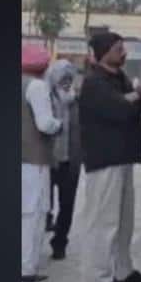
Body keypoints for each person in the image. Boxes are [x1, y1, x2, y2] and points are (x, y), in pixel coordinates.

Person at [79, 32, 141, 282]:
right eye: (118, 49)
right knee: (103, 222)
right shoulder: (94, 82)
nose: (124, 53)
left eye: (123, 48)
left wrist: (134, 97)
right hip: (104, 160)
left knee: (124, 221)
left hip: (123, 158)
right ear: (103, 53)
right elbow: (120, 109)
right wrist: (132, 98)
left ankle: (123, 271)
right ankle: (98, 280)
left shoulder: (119, 78)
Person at [22, 45, 62, 282]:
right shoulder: (37, 86)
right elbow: (45, 124)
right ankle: (27, 268)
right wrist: (59, 124)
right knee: (34, 213)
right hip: (34, 158)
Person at [44, 59, 82, 260]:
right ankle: (44, 223)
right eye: (62, 79)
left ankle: (60, 243)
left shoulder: (77, 101)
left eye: (69, 79)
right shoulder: (44, 98)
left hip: (71, 161)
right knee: (43, 203)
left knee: (67, 205)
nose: (66, 83)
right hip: (47, 161)